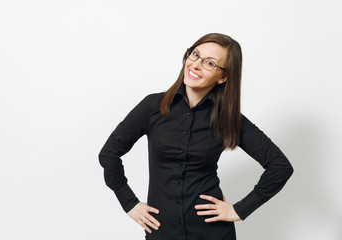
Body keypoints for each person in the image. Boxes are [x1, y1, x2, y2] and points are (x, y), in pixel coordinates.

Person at [98, 33, 294, 240]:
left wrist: (240, 209)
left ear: (224, 76)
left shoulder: (229, 119)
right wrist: (129, 203)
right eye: (195, 55)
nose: (196, 65)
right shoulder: (152, 107)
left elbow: (280, 166)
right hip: (162, 231)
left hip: (212, 232)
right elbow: (109, 154)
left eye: (210, 63)